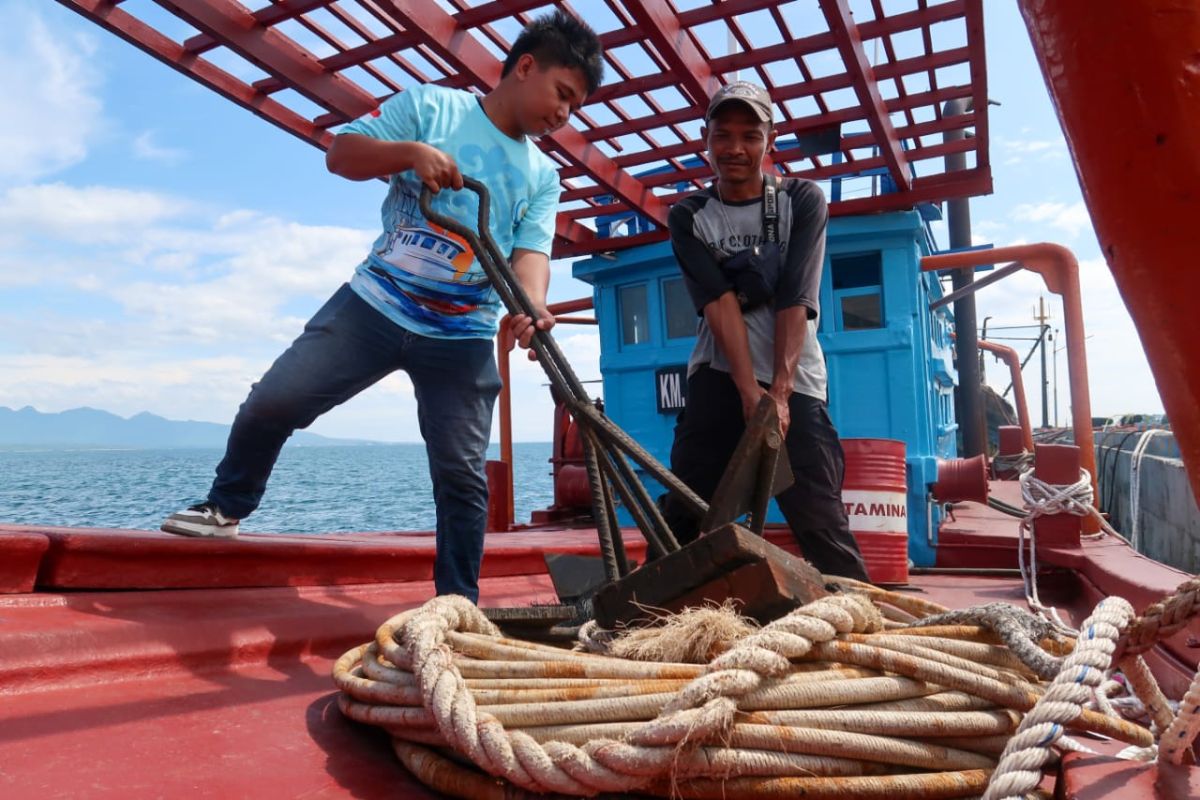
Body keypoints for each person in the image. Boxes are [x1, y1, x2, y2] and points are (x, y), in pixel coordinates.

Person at [161, 11, 605, 603]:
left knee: (461, 473)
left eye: (574, 106)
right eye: (563, 95)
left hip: (462, 333)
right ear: (525, 67)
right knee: (275, 400)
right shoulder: (431, 108)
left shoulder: (542, 175)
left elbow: (530, 255)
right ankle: (226, 508)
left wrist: (532, 306)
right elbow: (342, 156)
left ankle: (456, 605)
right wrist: (410, 154)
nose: (564, 115)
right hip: (373, 304)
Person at [659, 81, 871, 583]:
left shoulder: (802, 200)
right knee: (684, 513)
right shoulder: (689, 216)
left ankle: (867, 625)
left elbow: (796, 298)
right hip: (718, 376)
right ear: (704, 139)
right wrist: (745, 389)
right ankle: (647, 621)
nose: (735, 148)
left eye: (750, 136)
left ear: (769, 140)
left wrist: (777, 391)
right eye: (723, 135)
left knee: (820, 519)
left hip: (793, 382)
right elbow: (720, 303)